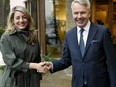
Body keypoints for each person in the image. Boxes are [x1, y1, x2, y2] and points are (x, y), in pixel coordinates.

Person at [45, 0, 116, 87]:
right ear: (72, 14)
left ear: (89, 13)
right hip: (78, 84)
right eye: (76, 13)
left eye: (82, 13)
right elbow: (66, 60)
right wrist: (52, 65)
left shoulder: (102, 32)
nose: (79, 16)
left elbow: (112, 64)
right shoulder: (69, 35)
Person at [0, 6, 47, 87]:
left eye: (24, 17)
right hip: (14, 81)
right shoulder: (6, 38)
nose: (21, 20)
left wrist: (42, 67)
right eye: (17, 18)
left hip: (32, 80)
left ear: (28, 19)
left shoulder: (33, 36)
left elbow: (37, 58)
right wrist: (35, 66)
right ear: (12, 20)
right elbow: (11, 62)